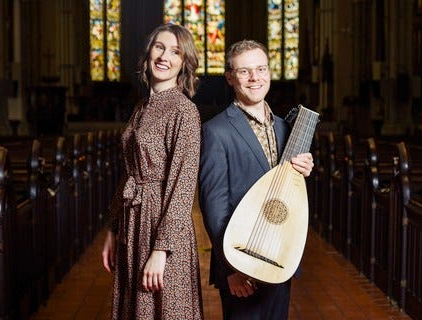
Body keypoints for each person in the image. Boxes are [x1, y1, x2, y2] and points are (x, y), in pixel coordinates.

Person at [199, 40, 314, 320]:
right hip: (241, 263)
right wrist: (231, 269)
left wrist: (305, 169)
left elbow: (287, 190)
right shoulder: (216, 132)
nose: (255, 78)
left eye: (261, 69)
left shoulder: (286, 127)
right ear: (230, 77)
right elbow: (215, 209)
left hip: (280, 255)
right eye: (245, 71)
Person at [102, 24, 203, 320]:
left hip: (161, 224)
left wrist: (162, 250)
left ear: (183, 63)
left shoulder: (184, 111)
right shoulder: (142, 106)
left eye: (175, 52)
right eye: (159, 47)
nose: (164, 57)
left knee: (164, 309)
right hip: (132, 219)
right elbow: (129, 172)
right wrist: (113, 228)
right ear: (148, 53)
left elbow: (183, 187)